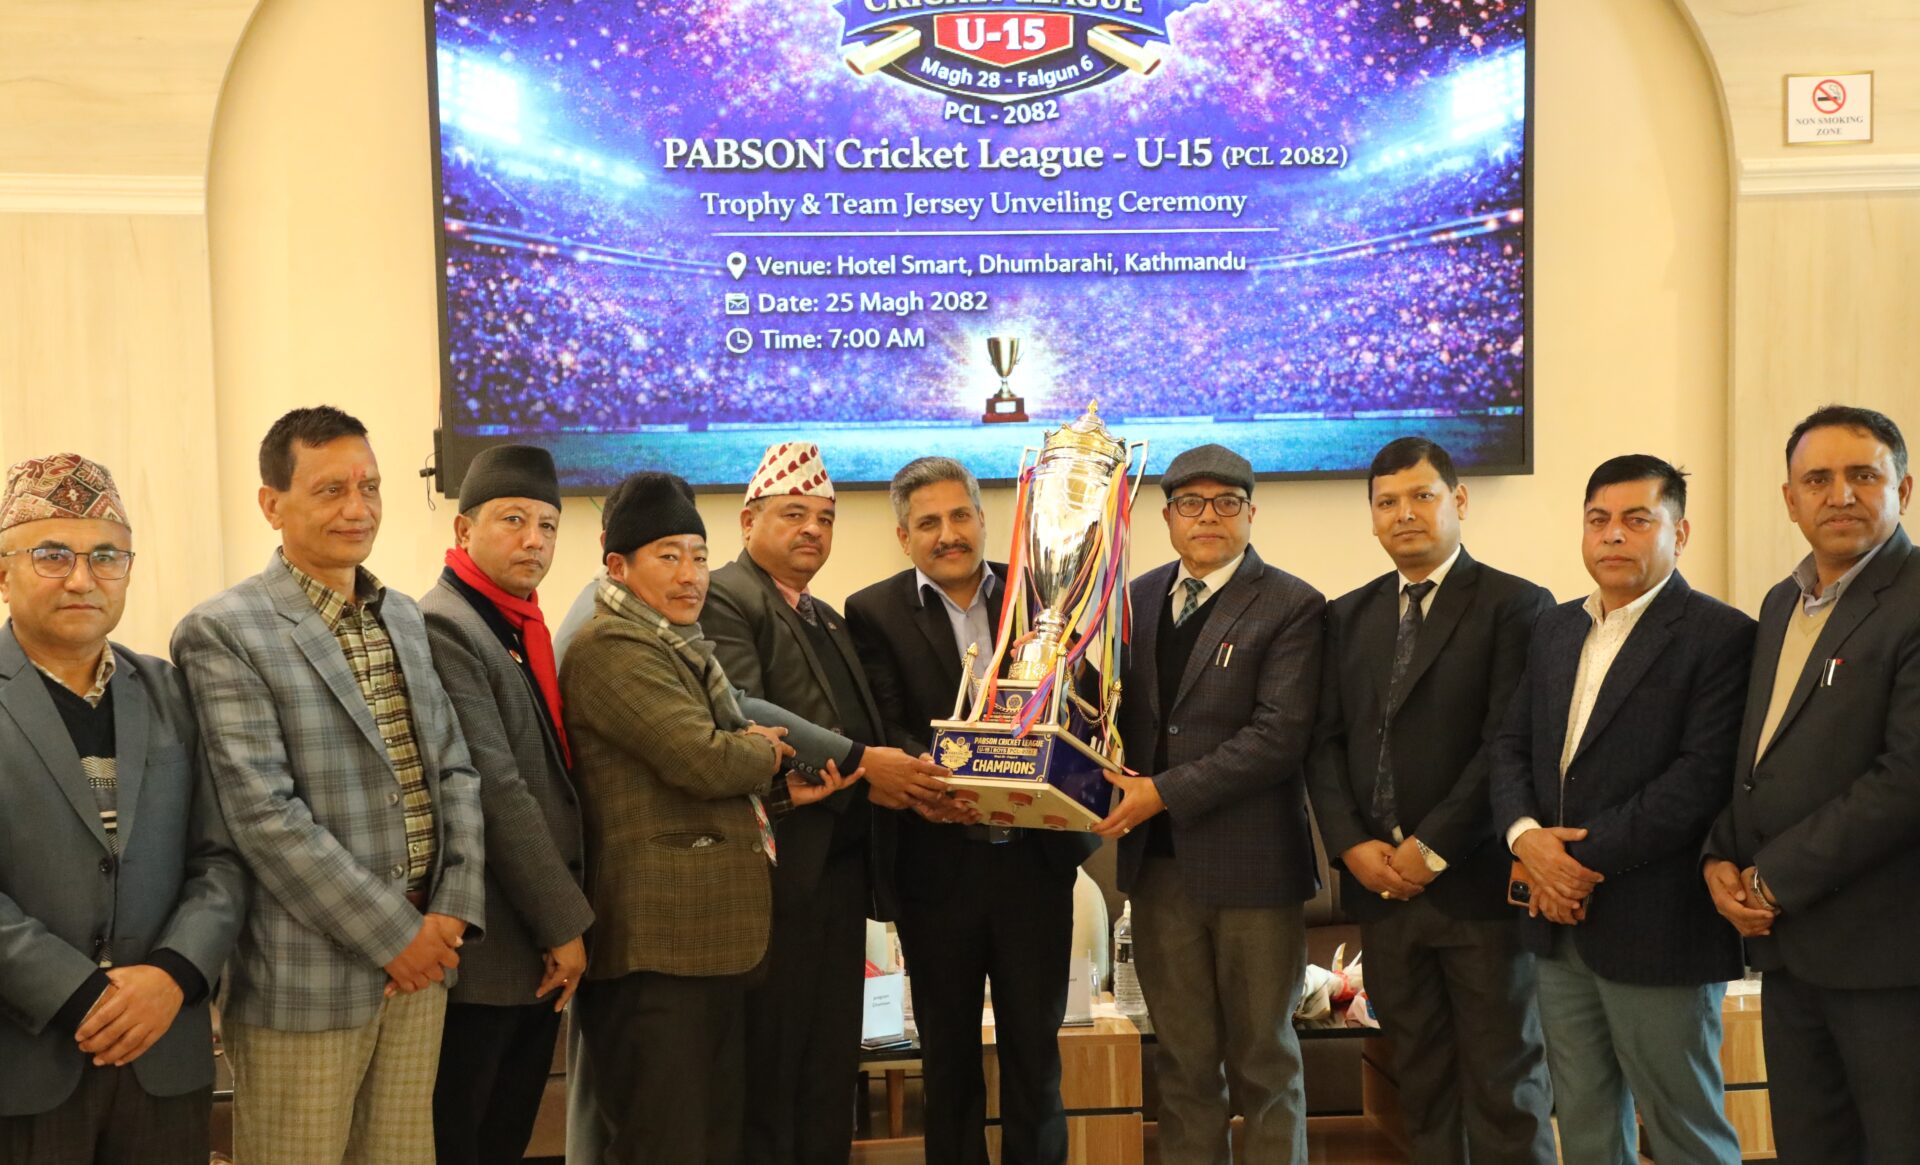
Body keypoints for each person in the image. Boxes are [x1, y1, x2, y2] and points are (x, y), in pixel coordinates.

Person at [172, 406, 486, 1165]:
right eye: (331, 489)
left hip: (425, 964)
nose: (358, 507)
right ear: (272, 503)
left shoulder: (402, 615)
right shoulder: (224, 630)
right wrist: (396, 936)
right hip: (304, 979)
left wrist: (452, 908)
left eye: (369, 486)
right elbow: (264, 815)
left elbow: (454, 766)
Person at [561, 470, 859, 1164]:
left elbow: (685, 783)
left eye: (698, 555)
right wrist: (763, 751)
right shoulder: (612, 646)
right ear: (618, 566)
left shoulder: (677, 644)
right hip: (658, 950)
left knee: (713, 1141)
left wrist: (778, 792)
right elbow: (699, 759)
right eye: (668, 556)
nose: (690, 574)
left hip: (709, 948)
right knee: (664, 1142)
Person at [1490, 454, 1751, 1165]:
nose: (1612, 535)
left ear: (1679, 532)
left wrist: (1569, 862)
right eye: (1598, 519)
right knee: (1584, 1122)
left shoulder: (1721, 634)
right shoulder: (1555, 628)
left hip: (1657, 925)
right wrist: (1526, 839)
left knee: (1685, 1128)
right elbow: (1510, 745)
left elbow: (1699, 780)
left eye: (1637, 520)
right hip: (1556, 928)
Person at [1308, 437, 1556, 1164]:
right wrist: (1352, 845)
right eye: (1387, 502)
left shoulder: (1516, 605)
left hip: (1476, 889)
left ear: (1459, 501)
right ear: (1372, 517)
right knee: (1419, 1086)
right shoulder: (1346, 615)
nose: (1405, 513)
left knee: (1506, 1085)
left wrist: (1431, 847)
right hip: (1382, 893)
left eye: (1422, 496)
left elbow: (1505, 744)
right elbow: (1323, 743)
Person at [703, 442, 952, 1165]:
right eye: (793, 514)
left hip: (839, 877)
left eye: (825, 517)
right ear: (749, 520)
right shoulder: (725, 595)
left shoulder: (827, 616)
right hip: (775, 877)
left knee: (828, 1075)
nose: (812, 529)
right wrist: (862, 760)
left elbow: (869, 728)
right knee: (773, 1077)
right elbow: (740, 707)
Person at [845, 456, 1096, 1165]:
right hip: (937, 869)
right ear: (903, 536)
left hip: (1033, 866)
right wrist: (952, 780)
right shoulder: (872, 611)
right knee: (949, 1062)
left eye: (960, 516)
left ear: (985, 521)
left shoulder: (1043, 599)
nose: (948, 534)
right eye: (928, 522)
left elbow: (1081, 705)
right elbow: (885, 724)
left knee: (1035, 1058)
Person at [0, 453, 247, 1165]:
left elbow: (223, 857)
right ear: (3, 572)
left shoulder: (171, 692)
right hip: (23, 1059)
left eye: (106, 556)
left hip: (162, 1053)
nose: (83, 578)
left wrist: (173, 974)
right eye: (53, 555)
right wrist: (79, 992)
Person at [1702, 405, 1920, 1164]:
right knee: (1809, 1148)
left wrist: (1772, 880)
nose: (1840, 494)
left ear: (1903, 489)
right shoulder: (1780, 602)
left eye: (1863, 475)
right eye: (1817, 479)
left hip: (1889, 958)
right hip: (1792, 954)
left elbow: (1907, 778)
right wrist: (1720, 855)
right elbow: (1758, 757)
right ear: (1790, 499)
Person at [1096, 443, 1325, 1165]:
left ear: (1251, 513)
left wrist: (1159, 793)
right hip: (1158, 875)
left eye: (1227, 503)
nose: (1208, 516)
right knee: (1184, 1065)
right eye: (1190, 503)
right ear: (1167, 517)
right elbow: (1112, 717)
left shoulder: (1292, 604)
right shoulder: (1133, 600)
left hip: (1254, 874)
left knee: (1265, 1062)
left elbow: (1277, 737)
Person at [420, 444, 594, 1165]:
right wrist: (564, 922)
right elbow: (498, 789)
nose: (535, 540)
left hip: (529, 952)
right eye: (513, 519)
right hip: (487, 952)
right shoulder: (448, 624)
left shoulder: (518, 625)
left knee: (506, 1142)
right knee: (466, 1143)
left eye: (548, 525)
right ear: (463, 530)